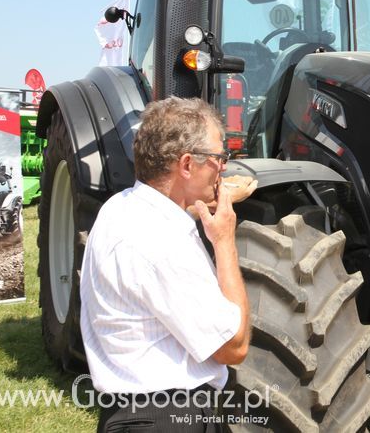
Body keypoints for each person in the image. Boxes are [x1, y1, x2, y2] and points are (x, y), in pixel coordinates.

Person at [80, 97, 258, 432]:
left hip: (132, 413)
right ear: (187, 165)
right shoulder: (162, 240)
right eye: (220, 158)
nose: (224, 168)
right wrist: (224, 241)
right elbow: (234, 346)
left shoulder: (118, 209)